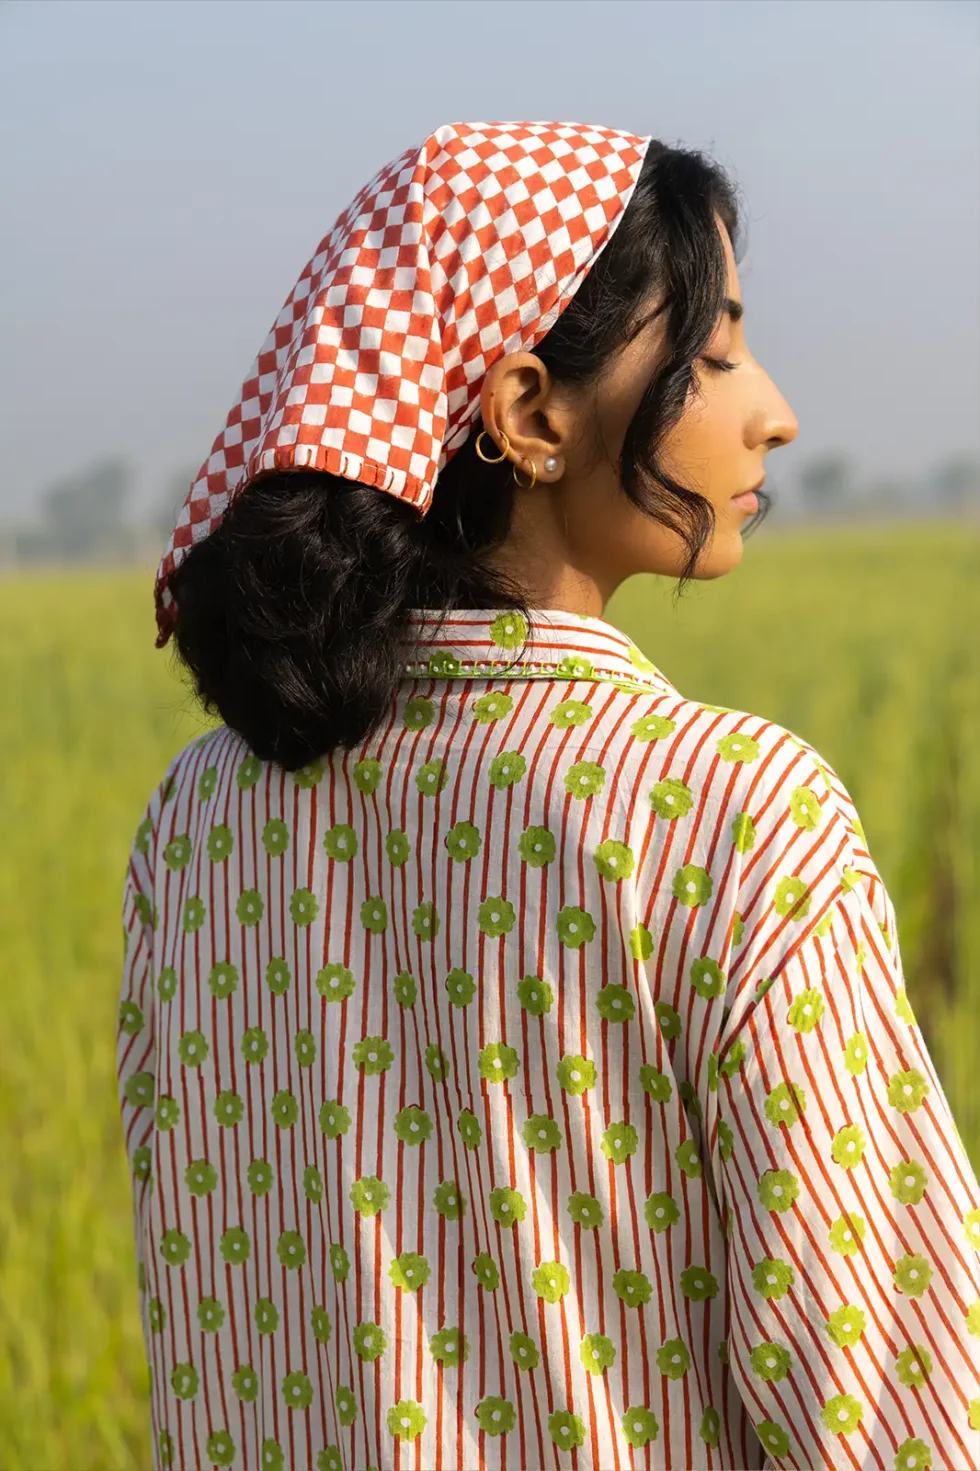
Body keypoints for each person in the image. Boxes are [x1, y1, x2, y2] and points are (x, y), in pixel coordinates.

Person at [116, 121, 980, 1471]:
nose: (774, 407)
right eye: (711, 352)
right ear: (529, 414)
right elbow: (902, 1399)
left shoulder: (195, 821)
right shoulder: (735, 814)